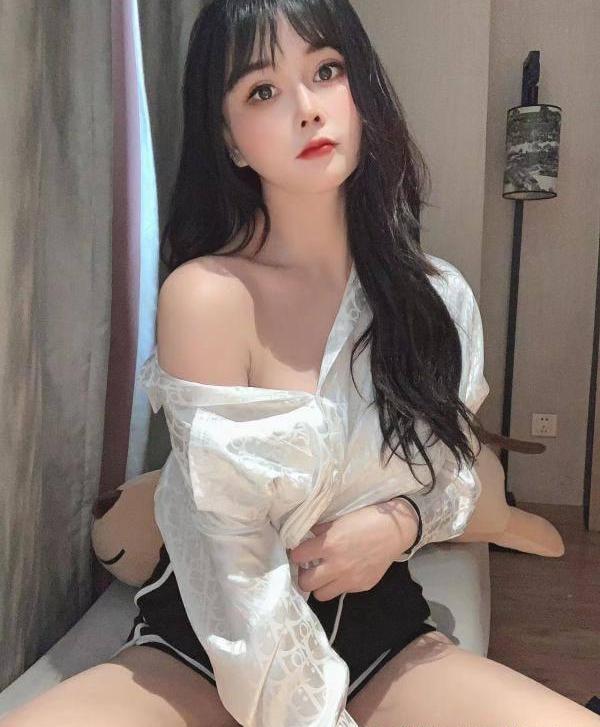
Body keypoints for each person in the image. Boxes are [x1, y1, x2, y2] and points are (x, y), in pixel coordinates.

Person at [3, 2, 598, 726]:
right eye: (263, 90)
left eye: (326, 70)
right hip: (209, 645)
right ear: (230, 139)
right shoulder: (208, 297)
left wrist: (402, 524)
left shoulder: (438, 298)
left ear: (359, 89)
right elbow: (236, 568)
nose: (307, 108)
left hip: (383, 637)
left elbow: (455, 475)